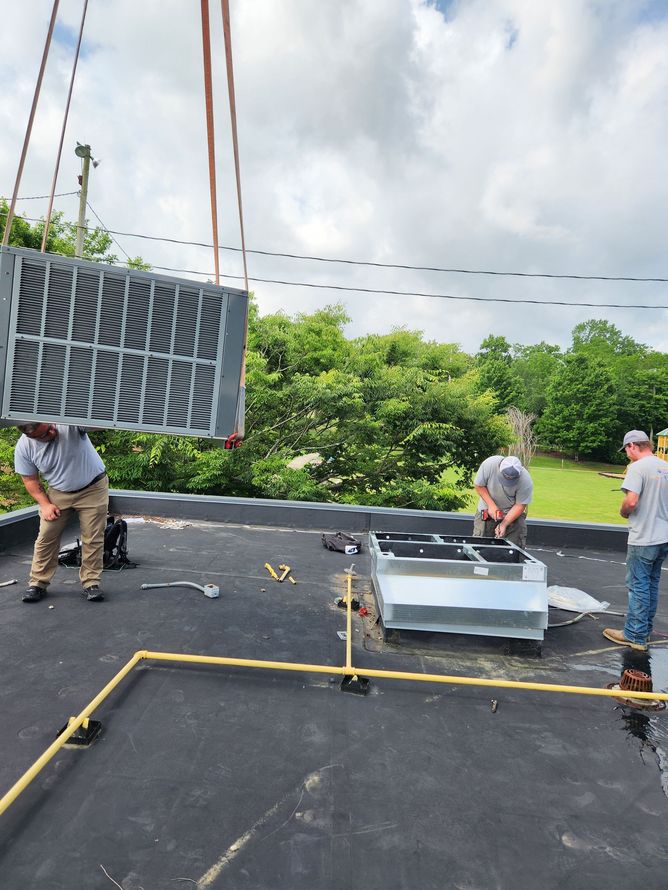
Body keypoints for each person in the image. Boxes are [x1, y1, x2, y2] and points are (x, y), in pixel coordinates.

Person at [14, 423, 108, 603]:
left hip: (93, 487)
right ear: (31, 437)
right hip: (58, 491)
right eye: (45, 434)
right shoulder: (24, 447)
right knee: (46, 536)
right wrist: (45, 504)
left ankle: (91, 583)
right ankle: (37, 583)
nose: (52, 431)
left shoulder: (68, 425)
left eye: (49, 427)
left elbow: (97, 424)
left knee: (93, 536)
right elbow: (30, 480)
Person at [603, 430, 668, 652]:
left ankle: (635, 635)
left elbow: (631, 502)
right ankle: (644, 630)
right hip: (663, 538)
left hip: (644, 537)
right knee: (651, 585)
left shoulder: (638, 468)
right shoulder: (665, 466)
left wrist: (623, 512)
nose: (627, 455)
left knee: (638, 586)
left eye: (626, 450)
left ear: (632, 446)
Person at [472, 454, 533, 548]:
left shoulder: (525, 480)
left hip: (512, 515)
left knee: (514, 549)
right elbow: (479, 485)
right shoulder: (489, 464)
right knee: (479, 546)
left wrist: (504, 524)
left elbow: (520, 505)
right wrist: (491, 505)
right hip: (486, 512)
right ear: (500, 468)